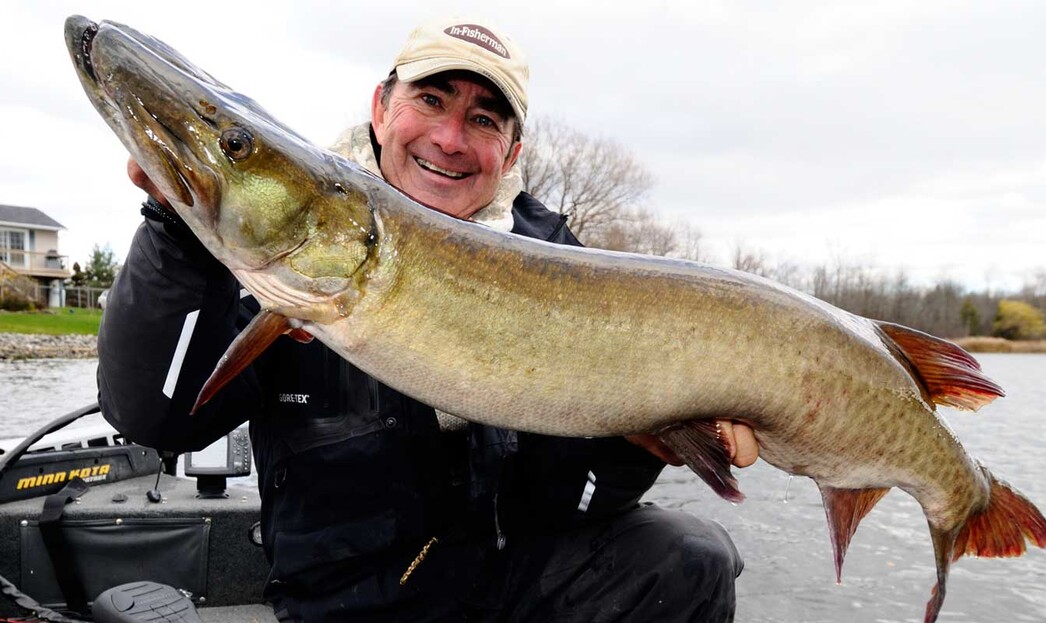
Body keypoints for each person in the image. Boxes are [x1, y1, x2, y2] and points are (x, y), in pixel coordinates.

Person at [100, 16, 758, 622]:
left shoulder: (560, 265)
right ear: (382, 109)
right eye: (432, 100)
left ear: (513, 151)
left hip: (503, 586)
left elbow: (574, 501)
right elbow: (158, 418)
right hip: (352, 606)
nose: (450, 138)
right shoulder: (294, 240)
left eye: (484, 119)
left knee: (688, 557)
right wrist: (179, 227)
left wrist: (646, 434)